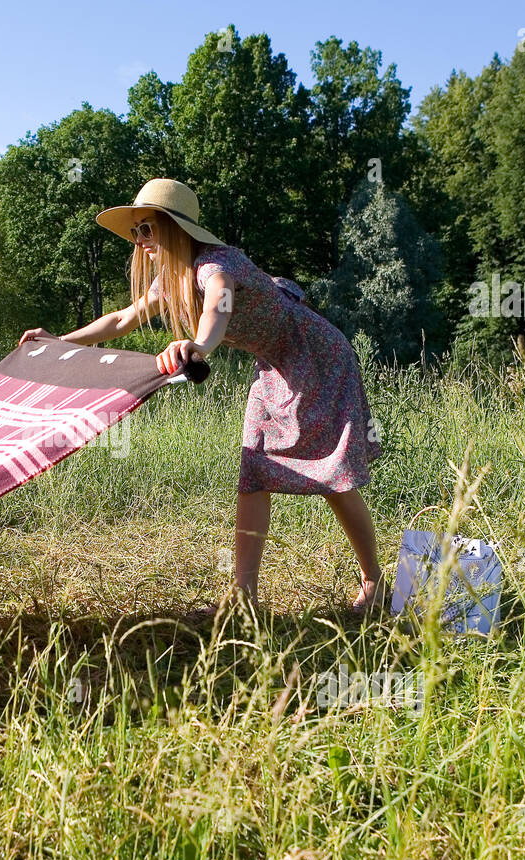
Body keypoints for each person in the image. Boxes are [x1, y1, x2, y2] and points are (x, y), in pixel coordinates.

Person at [19, 178, 385, 613]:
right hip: (273, 365)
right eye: (135, 232)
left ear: (175, 227)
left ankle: (374, 583)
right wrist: (58, 342)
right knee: (256, 467)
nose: (141, 241)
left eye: (148, 229)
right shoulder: (170, 279)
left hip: (317, 356)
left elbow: (219, 305)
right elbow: (120, 320)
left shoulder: (214, 264)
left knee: (333, 476)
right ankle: (243, 599)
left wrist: (201, 345)